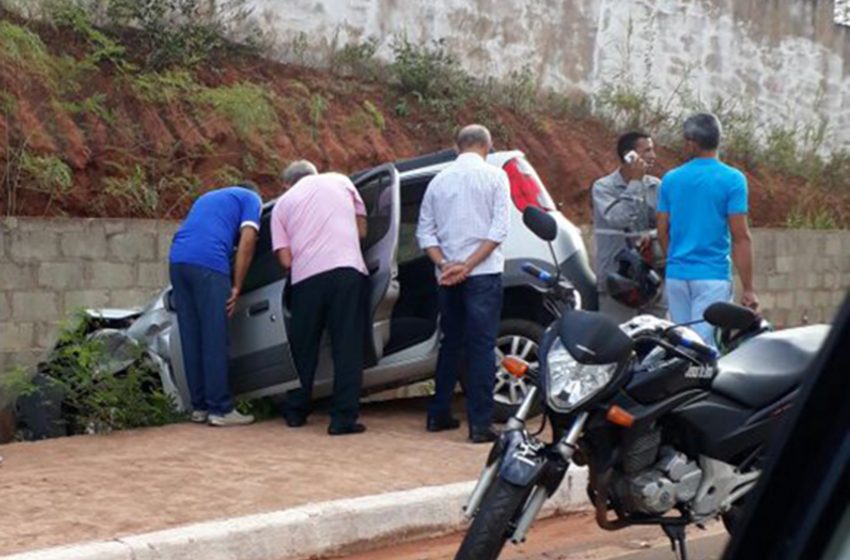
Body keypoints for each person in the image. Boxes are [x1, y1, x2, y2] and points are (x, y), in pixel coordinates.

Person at [416, 124, 511, 444]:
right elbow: (499, 230)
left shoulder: (438, 181)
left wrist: (446, 264)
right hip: (482, 273)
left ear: (457, 146)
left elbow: (424, 233)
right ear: (488, 145)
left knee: (450, 342)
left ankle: (438, 414)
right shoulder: (496, 177)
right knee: (482, 345)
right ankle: (480, 424)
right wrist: (469, 265)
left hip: (446, 274)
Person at [270, 160, 369, 436]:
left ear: (287, 184)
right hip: (346, 271)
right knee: (346, 347)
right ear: (314, 174)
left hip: (306, 280)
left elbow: (286, 259)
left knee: (304, 348)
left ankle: (296, 412)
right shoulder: (342, 180)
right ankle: (342, 420)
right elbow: (362, 230)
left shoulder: (282, 203)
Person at [657, 113, 759, 347]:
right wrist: (749, 288)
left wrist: (673, 258)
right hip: (712, 277)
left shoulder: (671, 179)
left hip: (677, 276)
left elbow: (662, 229)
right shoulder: (733, 179)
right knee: (705, 348)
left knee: (680, 345)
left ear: (692, 142)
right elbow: (740, 237)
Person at [169, 183, 262, 426]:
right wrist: (237, 286)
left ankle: (199, 407)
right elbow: (249, 241)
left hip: (178, 260)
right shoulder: (252, 198)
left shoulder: (207, 196)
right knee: (214, 336)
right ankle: (220, 409)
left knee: (192, 337)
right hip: (208, 263)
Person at [591, 131, 666, 323]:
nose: (653, 156)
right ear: (629, 156)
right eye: (647, 150)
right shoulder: (603, 187)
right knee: (618, 339)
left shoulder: (655, 186)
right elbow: (619, 219)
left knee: (656, 338)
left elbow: (667, 224)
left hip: (651, 279)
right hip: (618, 281)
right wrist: (635, 182)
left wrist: (652, 235)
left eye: (653, 150)